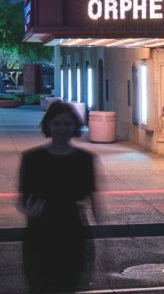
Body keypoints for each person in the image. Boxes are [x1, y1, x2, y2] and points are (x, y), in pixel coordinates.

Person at [17, 100, 100, 293]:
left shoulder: (84, 159)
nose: (62, 128)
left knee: (68, 285)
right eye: (57, 123)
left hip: (71, 232)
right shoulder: (32, 159)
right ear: (48, 126)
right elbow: (21, 198)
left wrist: (104, 236)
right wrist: (26, 209)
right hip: (39, 234)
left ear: (75, 126)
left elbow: (93, 198)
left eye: (67, 124)